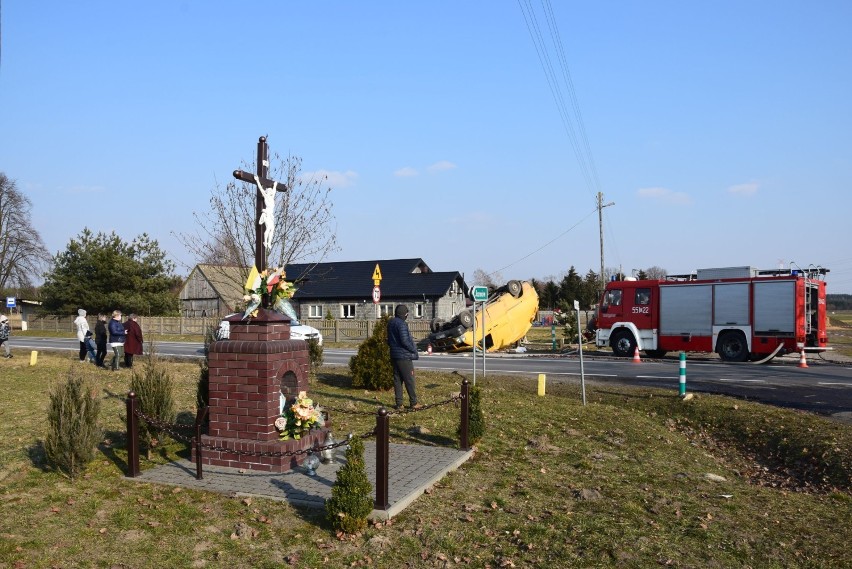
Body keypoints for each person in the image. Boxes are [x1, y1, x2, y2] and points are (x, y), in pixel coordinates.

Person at [386, 305, 420, 410]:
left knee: (397, 380)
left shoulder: (390, 323)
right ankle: (414, 403)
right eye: (406, 313)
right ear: (404, 314)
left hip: (394, 354)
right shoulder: (402, 325)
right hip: (404, 356)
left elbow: (389, 339)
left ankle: (399, 403)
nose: (407, 315)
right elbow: (405, 341)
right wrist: (414, 350)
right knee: (409, 379)